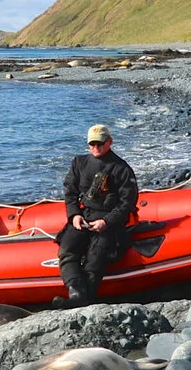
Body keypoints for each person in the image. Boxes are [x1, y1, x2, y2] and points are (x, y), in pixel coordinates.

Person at [56, 123, 138, 306]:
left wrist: (106, 221)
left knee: (97, 256)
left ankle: (86, 299)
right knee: (67, 250)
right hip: (84, 216)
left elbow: (128, 203)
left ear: (110, 142)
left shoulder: (122, 169)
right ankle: (75, 293)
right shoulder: (79, 163)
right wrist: (74, 215)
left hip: (109, 220)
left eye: (99, 143)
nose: (95, 148)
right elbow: (70, 193)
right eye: (91, 144)